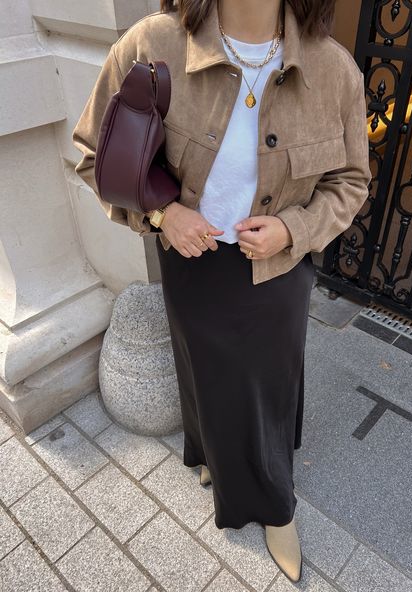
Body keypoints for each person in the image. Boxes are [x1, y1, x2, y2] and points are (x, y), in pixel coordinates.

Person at [72, 0, 371, 582]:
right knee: (199, 368)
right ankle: (209, 454)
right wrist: (164, 217)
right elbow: (95, 154)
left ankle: (272, 504)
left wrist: (294, 229)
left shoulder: (334, 71)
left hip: (278, 266)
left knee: (268, 386)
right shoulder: (155, 44)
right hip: (192, 258)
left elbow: (350, 181)